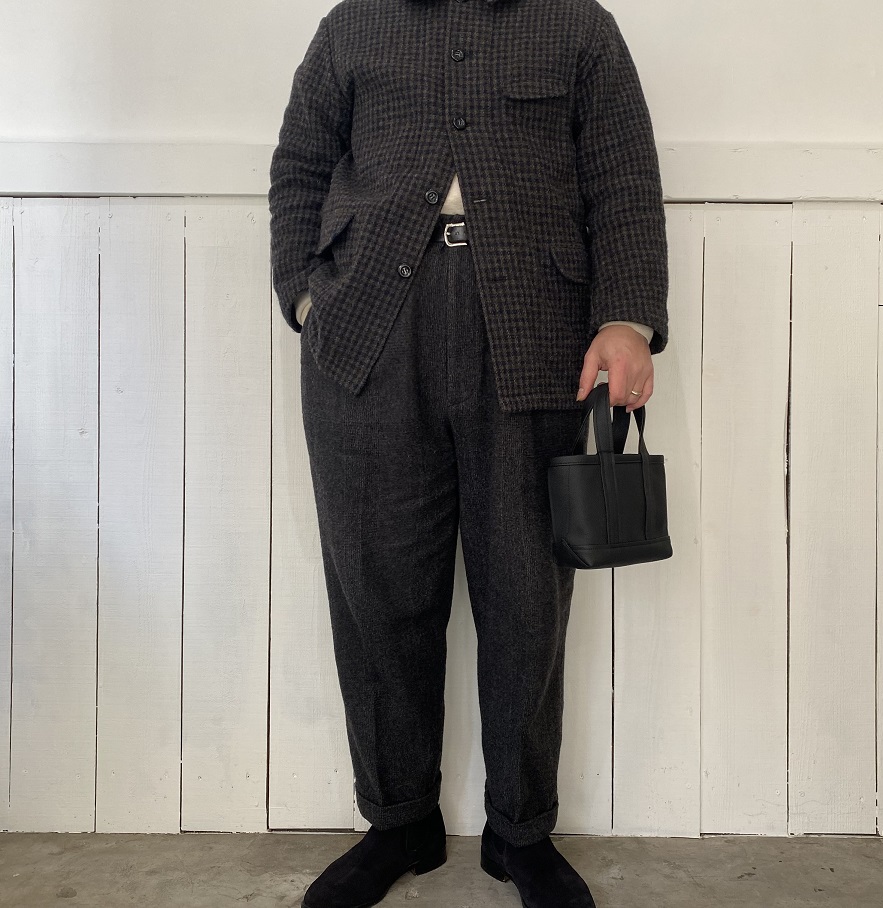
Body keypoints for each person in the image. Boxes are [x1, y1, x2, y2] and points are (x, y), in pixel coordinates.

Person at [268, 0, 669, 904]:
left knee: (526, 597)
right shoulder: (351, 26)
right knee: (377, 590)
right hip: (365, 338)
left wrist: (625, 320)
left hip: (535, 336)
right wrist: (305, 298)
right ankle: (398, 821)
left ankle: (520, 831)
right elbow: (299, 165)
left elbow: (624, 179)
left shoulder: (580, 28)